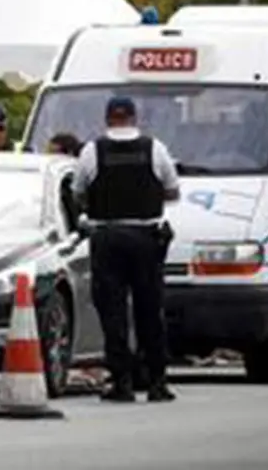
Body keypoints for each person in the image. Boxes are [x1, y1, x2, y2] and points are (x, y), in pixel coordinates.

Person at [71, 95, 179, 404]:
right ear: (134, 118)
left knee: (113, 312)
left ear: (107, 119)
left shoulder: (92, 151)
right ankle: (157, 382)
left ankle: (122, 382)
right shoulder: (154, 148)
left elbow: (79, 191)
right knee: (150, 311)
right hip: (147, 236)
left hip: (107, 237)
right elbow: (172, 190)